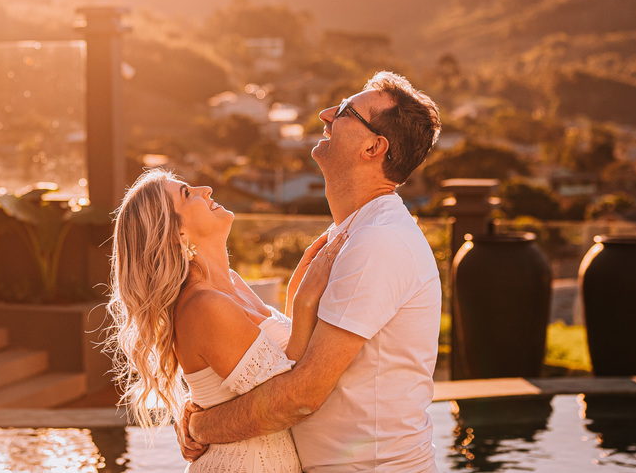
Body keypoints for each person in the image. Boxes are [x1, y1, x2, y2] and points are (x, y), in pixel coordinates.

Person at [181, 71, 443, 472]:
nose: (325, 114)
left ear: (374, 146)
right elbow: (297, 361)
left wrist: (202, 425)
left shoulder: (377, 242)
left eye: (344, 111)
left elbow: (303, 394)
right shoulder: (350, 233)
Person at [107, 168, 347, 472]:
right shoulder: (204, 305)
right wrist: (304, 301)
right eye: (187, 194)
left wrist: (298, 286)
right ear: (177, 233)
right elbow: (292, 394)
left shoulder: (232, 284)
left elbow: (277, 361)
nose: (206, 189)